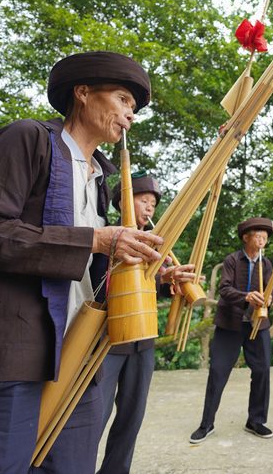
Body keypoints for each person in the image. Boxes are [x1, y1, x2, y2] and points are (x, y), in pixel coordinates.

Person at [0, 51, 196, 473]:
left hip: (79, 357)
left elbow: (88, 278)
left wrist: (156, 279)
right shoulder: (27, 139)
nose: (130, 115)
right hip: (10, 358)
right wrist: (95, 238)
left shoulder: (99, 184)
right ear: (83, 92)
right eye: (124, 99)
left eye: (134, 108)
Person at [97, 173, 165, 474]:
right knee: (93, 416)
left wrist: (171, 281)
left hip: (142, 342)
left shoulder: (154, 243)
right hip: (106, 341)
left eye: (152, 203)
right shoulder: (104, 235)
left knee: (132, 415)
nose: (149, 208)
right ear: (124, 200)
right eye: (143, 200)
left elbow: (154, 285)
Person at [190, 217, 273, 444]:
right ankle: (206, 424)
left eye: (265, 236)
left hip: (258, 325)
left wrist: (267, 300)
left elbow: (271, 290)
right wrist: (246, 296)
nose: (262, 239)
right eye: (257, 235)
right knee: (218, 372)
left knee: (262, 370)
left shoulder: (266, 264)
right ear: (246, 237)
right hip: (230, 324)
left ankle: (256, 420)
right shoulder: (232, 260)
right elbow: (225, 289)